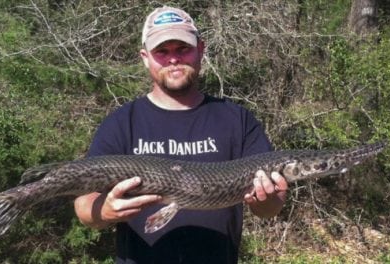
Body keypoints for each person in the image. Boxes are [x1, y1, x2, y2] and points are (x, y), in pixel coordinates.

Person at [74, 6, 288, 264]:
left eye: (183, 48)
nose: (173, 59)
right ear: (145, 57)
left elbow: (269, 209)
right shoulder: (121, 123)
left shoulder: (237, 120)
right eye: (162, 51)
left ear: (200, 49)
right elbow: (84, 205)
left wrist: (267, 199)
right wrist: (104, 211)